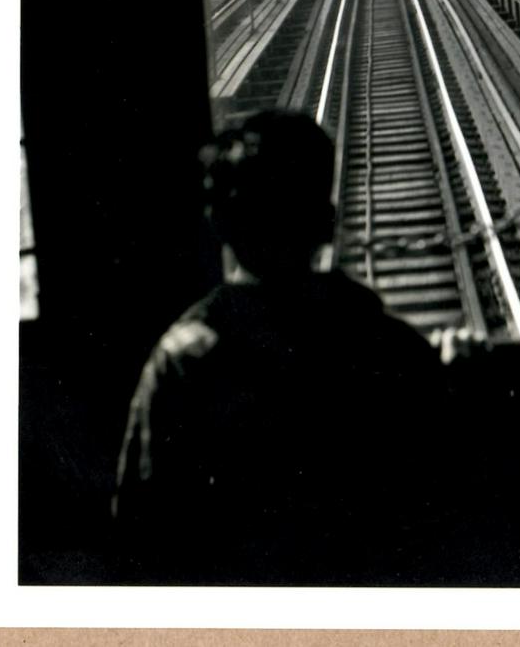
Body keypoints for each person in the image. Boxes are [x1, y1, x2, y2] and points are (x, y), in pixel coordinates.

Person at [112, 110, 448, 585]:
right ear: (327, 223)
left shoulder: (184, 360)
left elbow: (141, 534)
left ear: (220, 224)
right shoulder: (392, 350)